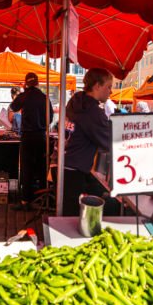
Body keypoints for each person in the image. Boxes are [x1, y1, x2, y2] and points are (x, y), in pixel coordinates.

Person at [63, 68, 116, 216]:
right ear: (97, 86)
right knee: (71, 217)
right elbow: (110, 141)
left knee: (68, 210)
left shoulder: (76, 101)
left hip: (64, 163)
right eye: (108, 87)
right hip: (75, 169)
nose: (110, 92)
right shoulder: (93, 112)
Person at [10, 73, 52, 209]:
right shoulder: (45, 98)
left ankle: (25, 201)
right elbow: (50, 118)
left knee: (26, 169)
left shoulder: (24, 96)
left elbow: (13, 107)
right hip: (41, 137)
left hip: (27, 137)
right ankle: (42, 200)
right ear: (38, 83)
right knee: (41, 168)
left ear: (26, 83)